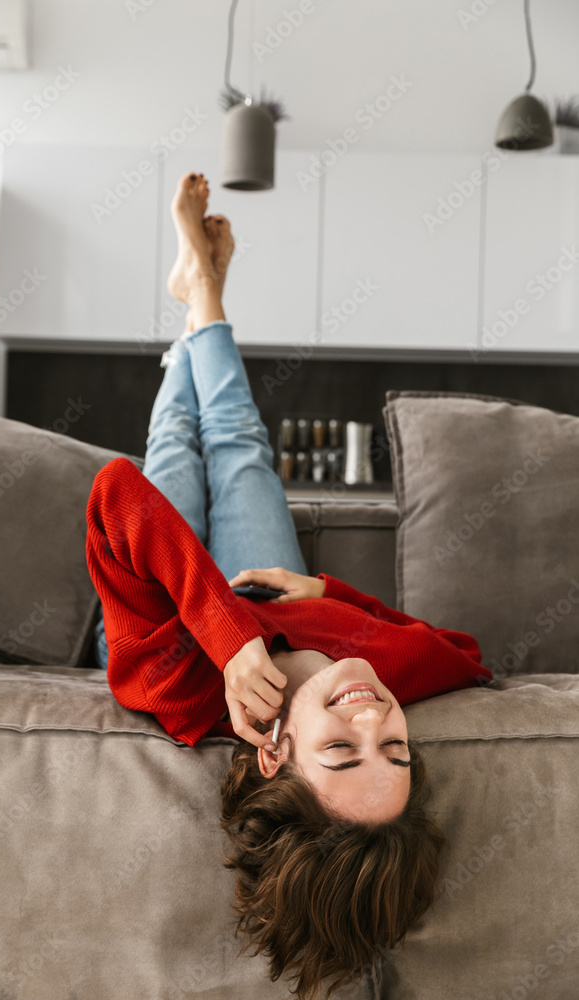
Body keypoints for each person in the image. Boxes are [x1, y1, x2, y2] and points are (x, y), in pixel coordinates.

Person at [86, 172, 493, 1000]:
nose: (375, 716)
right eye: (397, 749)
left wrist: (232, 645)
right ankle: (204, 294)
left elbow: (115, 495)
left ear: (271, 752)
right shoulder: (385, 681)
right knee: (235, 441)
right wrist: (327, 595)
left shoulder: (170, 686)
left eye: (341, 750)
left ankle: (198, 295)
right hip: (280, 604)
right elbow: (466, 655)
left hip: (169, 600)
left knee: (176, 453)